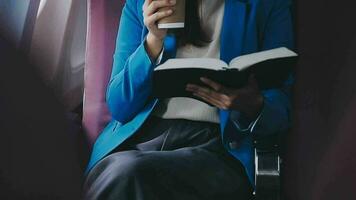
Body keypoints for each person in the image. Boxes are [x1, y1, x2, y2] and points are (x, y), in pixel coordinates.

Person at [84, 0, 294, 199]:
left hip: (219, 146)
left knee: (127, 174)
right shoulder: (141, 4)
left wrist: (252, 103)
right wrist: (153, 41)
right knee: (122, 171)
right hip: (143, 137)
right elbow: (120, 106)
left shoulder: (268, 4)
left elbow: (281, 106)